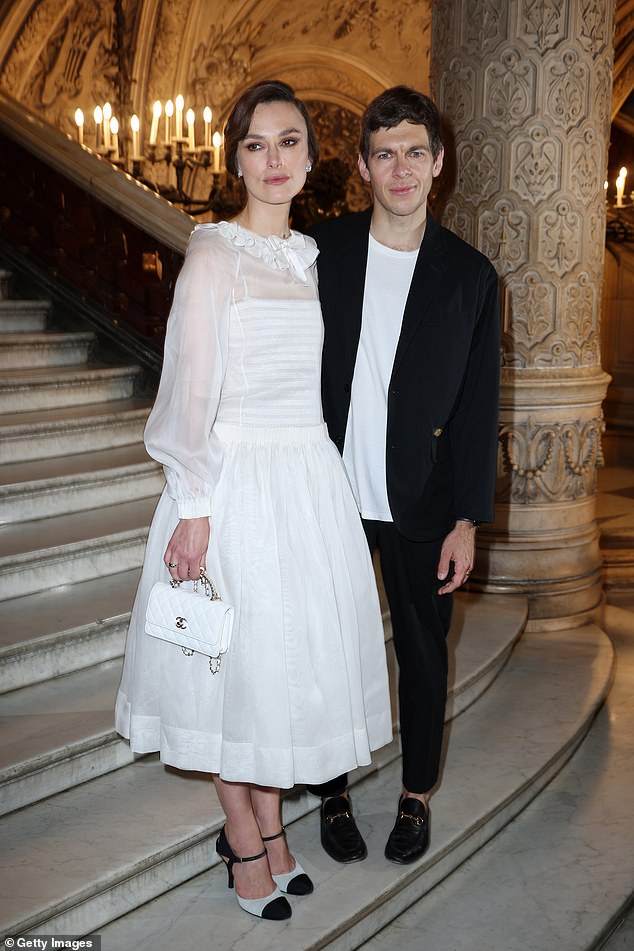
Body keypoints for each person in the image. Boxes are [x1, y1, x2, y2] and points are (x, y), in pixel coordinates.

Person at [115, 80, 392, 921]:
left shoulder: (311, 256)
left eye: (289, 142)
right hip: (231, 481)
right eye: (255, 145)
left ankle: (274, 830)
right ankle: (242, 836)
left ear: (312, 157)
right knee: (231, 677)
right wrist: (194, 503)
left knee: (281, 670)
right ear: (234, 159)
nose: (273, 160)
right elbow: (188, 388)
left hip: (306, 476)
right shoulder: (213, 253)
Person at [308, 86, 500, 866]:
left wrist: (467, 519)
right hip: (327, 492)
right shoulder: (322, 252)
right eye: (384, 153)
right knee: (328, 651)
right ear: (362, 165)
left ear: (438, 164)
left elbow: (480, 402)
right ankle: (330, 791)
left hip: (420, 500)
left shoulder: (470, 275)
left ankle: (415, 796)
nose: (400, 168)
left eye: (415, 152)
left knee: (422, 654)